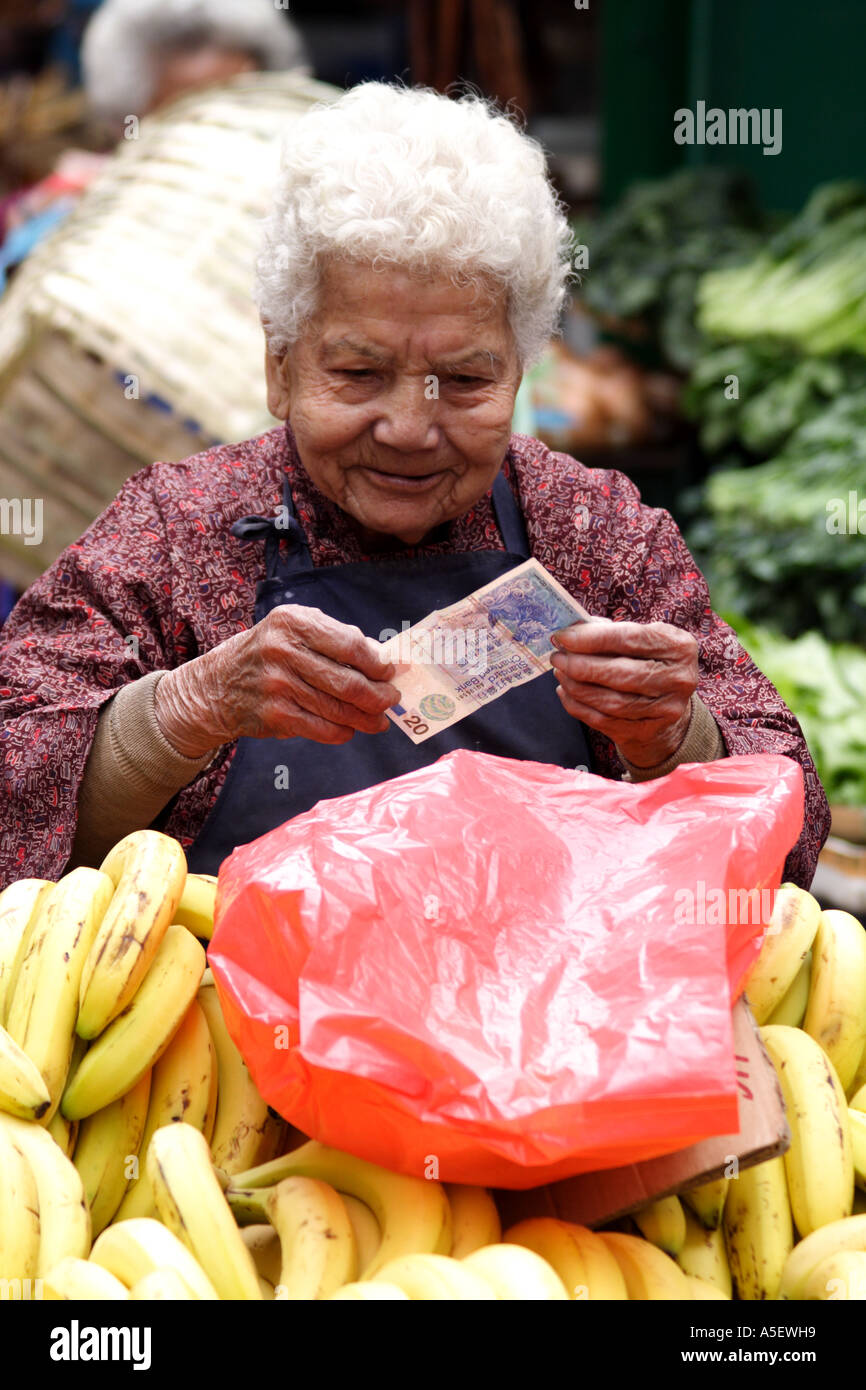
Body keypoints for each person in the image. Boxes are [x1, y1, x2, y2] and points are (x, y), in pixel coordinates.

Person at [0, 83, 829, 887]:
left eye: (465, 380)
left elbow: (789, 832)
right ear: (279, 368)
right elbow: (12, 804)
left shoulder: (592, 532)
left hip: (538, 1020)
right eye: (358, 372)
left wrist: (674, 741)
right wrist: (184, 711)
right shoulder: (174, 534)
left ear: (522, 372)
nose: (408, 427)